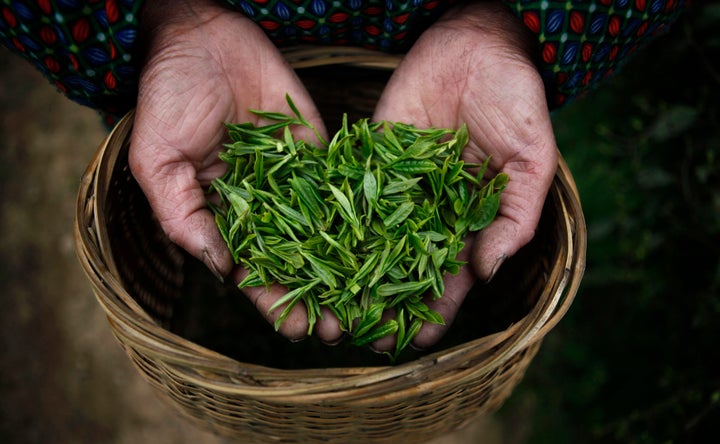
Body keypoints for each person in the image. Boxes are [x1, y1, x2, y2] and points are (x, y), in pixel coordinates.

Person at [0, 0, 689, 351]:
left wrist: (515, 21)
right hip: (192, 72)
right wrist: (157, 19)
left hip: (433, 50)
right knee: (186, 222)